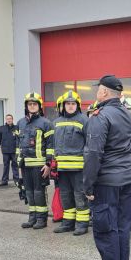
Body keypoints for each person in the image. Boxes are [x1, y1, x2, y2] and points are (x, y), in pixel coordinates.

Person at [84, 75, 131, 260]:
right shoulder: (126, 114)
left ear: (105, 92)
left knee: (106, 230)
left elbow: (93, 153)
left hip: (107, 181)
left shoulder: (100, 116)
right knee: (122, 229)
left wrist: (88, 184)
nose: (97, 91)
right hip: (126, 179)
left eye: (98, 88)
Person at [53, 90, 89, 235]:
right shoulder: (56, 122)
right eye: (67, 103)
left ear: (77, 105)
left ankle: (82, 224)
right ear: (63, 105)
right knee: (65, 196)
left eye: (73, 103)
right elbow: (53, 145)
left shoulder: (84, 120)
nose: (70, 106)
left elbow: (89, 144)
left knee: (80, 196)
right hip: (61, 169)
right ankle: (68, 222)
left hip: (79, 168)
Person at [17, 92, 54, 230]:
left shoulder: (46, 123)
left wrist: (48, 164)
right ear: (26, 106)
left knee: (38, 192)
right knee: (28, 192)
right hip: (25, 164)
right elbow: (18, 145)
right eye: (30, 104)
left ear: (39, 106)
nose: (32, 106)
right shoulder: (20, 123)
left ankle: (41, 219)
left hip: (39, 165)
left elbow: (50, 146)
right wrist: (18, 163)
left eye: (34, 104)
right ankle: (32, 218)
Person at [0, 114, 19, 186]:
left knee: (15, 166)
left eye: (10, 119)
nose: (9, 120)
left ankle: (16, 181)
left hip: (14, 151)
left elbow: (18, 138)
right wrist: (3, 146)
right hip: (5, 151)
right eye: (7, 119)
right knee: (6, 166)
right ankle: (4, 181)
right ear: (6, 120)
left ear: (12, 119)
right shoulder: (1, 128)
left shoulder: (16, 128)